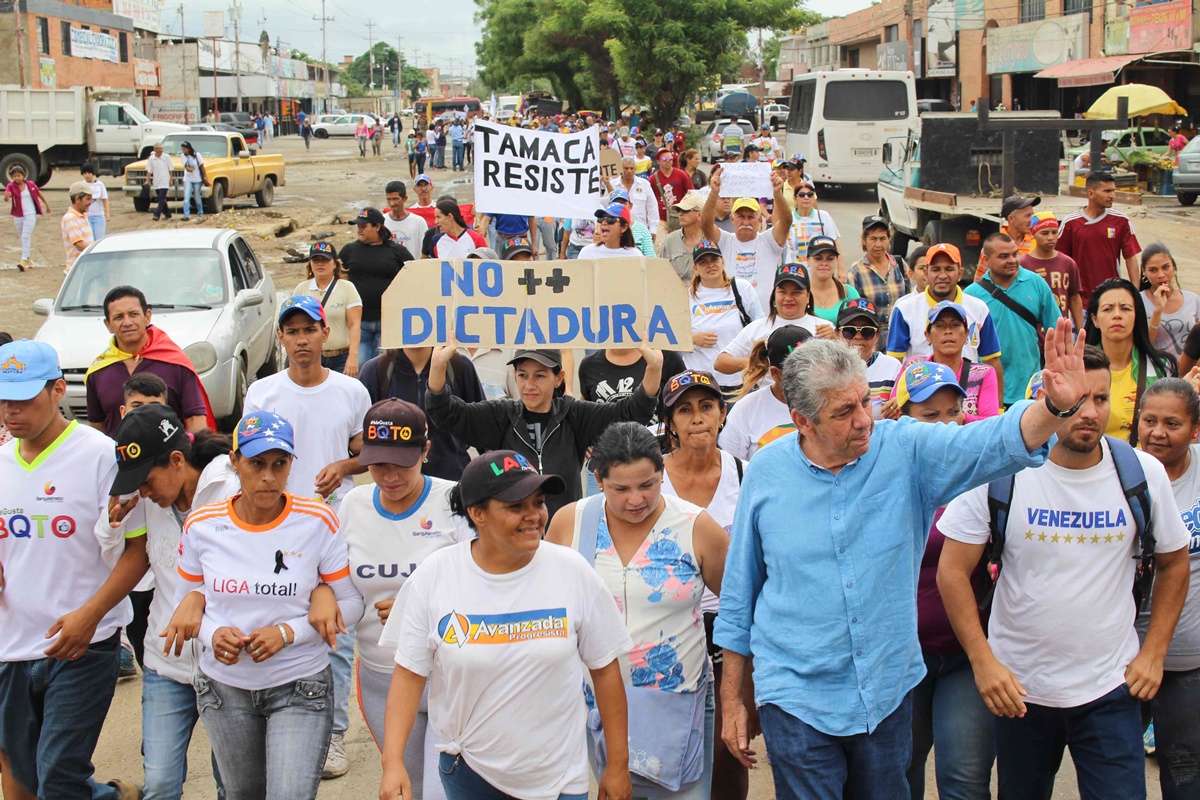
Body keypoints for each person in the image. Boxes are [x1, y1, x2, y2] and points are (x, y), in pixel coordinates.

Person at [715, 320, 1094, 799]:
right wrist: (733, 698)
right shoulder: (767, 472)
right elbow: (740, 593)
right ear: (802, 420)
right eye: (843, 411)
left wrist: (1056, 406)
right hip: (795, 695)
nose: (863, 420)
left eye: (865, 401)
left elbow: (992, 444)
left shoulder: (904, 449)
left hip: (885, 688)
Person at [937, 346, 1191, 800]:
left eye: (1100, 399)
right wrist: (983, 661)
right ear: (1048, 400)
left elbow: (1173, 561)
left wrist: (1154, 653)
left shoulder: (1140, 472)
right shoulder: (1002, 471)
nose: (1088, 413)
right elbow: (953, 571)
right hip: (1020, 692)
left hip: (1112, 688)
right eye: (1075, 401)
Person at [376, 449, 633, 800]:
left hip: (559, 780)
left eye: (539, 502)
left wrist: (616, 765)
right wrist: (393, 763)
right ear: (477, 513)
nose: (534, 516)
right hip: (469, 774)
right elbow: (408, 675)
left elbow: (605, 670)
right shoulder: (436, 576)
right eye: (515, 507)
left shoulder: (572, 572)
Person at [174, 409, 364, 798]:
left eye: (280, 464)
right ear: (234, 462)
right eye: (256, 463)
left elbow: (350, 603)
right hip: (224, 688)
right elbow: (187, 604)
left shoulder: (317, 520)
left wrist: (287, 632)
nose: (268, 476)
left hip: (300, 683)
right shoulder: (202, 524)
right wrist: (212, 634)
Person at [546, 422, 728, 799]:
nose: (635, 500)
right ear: (597, 479)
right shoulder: (570, 522)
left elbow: (740, 605)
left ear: (662, 473)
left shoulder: (697, 526)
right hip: (593, 706)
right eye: (620, 489)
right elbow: (541, 602)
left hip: (678, 704)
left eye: (647, 485)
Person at [0, 339, 147, 800]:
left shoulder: (102, 455)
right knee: (26, 778)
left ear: (58, 389)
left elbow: (138, 550)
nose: (11, 410)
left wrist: (91, 616)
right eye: (3, 398)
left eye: (23, 398)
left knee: (59, 776)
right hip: (11, 648)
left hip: (83, 645)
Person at [242, 295, 373, 777]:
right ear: (281, 338)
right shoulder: (263, 393)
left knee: (334, 632)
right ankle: (276, 718)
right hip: (276, 528)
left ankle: (333, 735)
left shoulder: (350, 391)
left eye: (309, 330)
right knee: (279, 620)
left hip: (334, 527)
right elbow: (249, 456)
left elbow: (367, 451)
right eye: (292, 331)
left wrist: (344, 465)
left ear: (325, 334)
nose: (301, 339)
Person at [320, 399, 471, 799]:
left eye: (401, 462)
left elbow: (486, 582)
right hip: (381, 676)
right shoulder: (351, 506)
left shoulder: (454, 500)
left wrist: (419, 608)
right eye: (377, 463)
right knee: (408, 788)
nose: (388, 476)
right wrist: (322, 595)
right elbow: (332, 578)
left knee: (446, 791)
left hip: (449, 676)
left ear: (425, 451)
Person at [107, 404, 239, 800]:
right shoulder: (147, 503)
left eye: (146, 481)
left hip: (229, 665)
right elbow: (120, 554)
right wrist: (114, 520)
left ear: (177, 460)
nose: (143, 492)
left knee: (232, 784)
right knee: (161, 784)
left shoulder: (233, 492)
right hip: (166, 664)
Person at [886, 361, 994, 800]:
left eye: (954, 412)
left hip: (967, 656)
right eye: (930, 416)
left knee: (964, 781)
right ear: (902, 420)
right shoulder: (882, 483)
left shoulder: (987, 477)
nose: (947, 425)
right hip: (900, 659)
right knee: (899, 773)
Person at [655, 369, 755, 800]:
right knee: (665, 746)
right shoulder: (649, 480)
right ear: (670, 424)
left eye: (706, 407)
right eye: (684, 409)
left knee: (729, 743)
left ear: (723, 415)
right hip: (665, 626)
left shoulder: (747, 473)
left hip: (730, 627)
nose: (697, 418)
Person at [425, 345, 663, 520]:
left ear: (558, 378)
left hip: (565, 531)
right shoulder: (500, 414)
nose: (529, 385)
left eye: (540, 376)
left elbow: (631, 413)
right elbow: (448, 414)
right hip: (511, 529)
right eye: (522, 375)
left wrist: (654, 368)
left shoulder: (574, 415)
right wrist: (437, 367)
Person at [1136, 377, 1200, 799]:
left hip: (1187, 662)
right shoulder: (1117, 471)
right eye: (1150, 420)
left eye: (1172, 423)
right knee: (1116, 779)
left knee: (1183, 776)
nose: (1158, 432)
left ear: (1194, 429)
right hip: (1121, 660)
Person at [85, 285, 212, 435]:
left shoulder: (176, 363)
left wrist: (188, 456)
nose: (127, 322)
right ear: (108, 325)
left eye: (133, 314)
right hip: (118, 457)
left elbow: (196, 421)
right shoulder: (98, 371)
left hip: (170, 456)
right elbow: (97, 430)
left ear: (147, 317)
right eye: (119, 317)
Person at [887, 242, 1004, 394]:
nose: (942, 275)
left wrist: (999, 409)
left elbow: (992, 361)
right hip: (920, 397)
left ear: (960, 273)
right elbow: (894, 363)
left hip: (969, 397)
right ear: (926, 273)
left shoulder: (979, 308)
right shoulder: (905, 309)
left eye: (949, 269)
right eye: (935, 269)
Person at [358, 343, 486, 481]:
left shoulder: (459, 366)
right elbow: (358, 436)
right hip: (396, 484)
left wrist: (498, 475)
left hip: (451, 482)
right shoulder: (376, 369)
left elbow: (485, 433)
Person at [966, 232, 1062, 408]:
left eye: (1014, 254)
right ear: (986, 260)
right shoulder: (972, 296)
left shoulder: (1036, 283)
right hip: (988, 392)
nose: (1012, 260)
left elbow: (1057, 331)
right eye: (1003, 256)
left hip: (1030, 390)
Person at [1085, 278, 1177, 444]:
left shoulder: (1161, 367)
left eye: (1126, 308)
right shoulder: (1077, 367)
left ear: (1137, 316)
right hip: (1091, 465)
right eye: (1108, 309)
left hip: (1147, 465)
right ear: (1095, 319)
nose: (1117, 315)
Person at [714, 263, 833, 379]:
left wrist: (836, 341)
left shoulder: (825, 328)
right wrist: (755, 363)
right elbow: (721, 363)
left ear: (808, 296)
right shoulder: (758, 327)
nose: (788, 298)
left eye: (796, 292)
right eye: (782, 292)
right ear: (774, 296)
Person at [890, 301, 1001, 419]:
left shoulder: (983, 373)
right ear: (928, 335)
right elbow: (893, 409)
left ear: (966, 334)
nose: (948, 331)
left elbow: (990, 423)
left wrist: (959, 417)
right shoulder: (913, 367)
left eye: (955, 325)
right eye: (940, 325)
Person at [684, 240, 764, 400]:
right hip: (700, 382)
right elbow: (669, 339)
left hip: (739, 382)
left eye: (714, 259)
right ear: (695, 268)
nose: (710, 265)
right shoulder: (685, 296)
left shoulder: (742, 289)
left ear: (723, 261)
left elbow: (761, 327)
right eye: (703, 262)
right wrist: (690, 339)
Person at [719, 325, 813, 460]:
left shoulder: (831, 401)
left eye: (816, 364)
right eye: (800, 369)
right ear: (776, 374)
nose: (811, 374)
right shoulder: (746, 409)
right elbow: (731, 465)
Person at [700, 168, 789, 310]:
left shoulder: (769, 241)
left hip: (764, 319)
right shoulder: (725, 241)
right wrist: (714, 193)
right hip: (732, 317)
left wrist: (777, 193)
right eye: (741, 216)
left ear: (760, 220)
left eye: (751, 217)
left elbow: (786, 221)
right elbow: (705, 224)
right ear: (732, 219)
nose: (746, 222)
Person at [341, 207, 415, 367]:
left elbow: (414, 278)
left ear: (377, 227)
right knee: (359, 366)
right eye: (358, 226)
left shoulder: (397, 251)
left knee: (384, 367)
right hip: (359, 323)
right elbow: (336, 278)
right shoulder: (349, 251)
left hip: (388, 321)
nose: (359, 229)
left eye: (363, 226)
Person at [1057, 171, 1143, 302]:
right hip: (1079, 301)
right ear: (1091, 193)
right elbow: (1060, 261)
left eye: (1113, 191)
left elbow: (1131, 258)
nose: (1112, 196)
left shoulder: (1121, 221)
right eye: (1107, 191)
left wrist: (1136, 294)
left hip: (1111, 298)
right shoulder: (1070, 223)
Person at [293, 241, 363, 376]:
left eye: (325, 260)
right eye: (316, 260)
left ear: (335, 263)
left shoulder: (347, 288)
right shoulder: (301, 289)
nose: (320, 264)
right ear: (310, 264)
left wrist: (353, 356)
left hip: (340, 357)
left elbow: (354, 325)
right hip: (310, 357)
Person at [848, 216, 910, 347]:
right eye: (873, 239)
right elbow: (854, 311)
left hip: (898, 335)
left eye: (883, 238)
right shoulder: (856, 271)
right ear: (864, 241)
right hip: (870, 338)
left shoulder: (899, 265)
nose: (878, 245)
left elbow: (909, 300)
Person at [837, 299, 901, 419]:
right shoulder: (828, 368)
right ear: (837, 333)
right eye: (849, 331)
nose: (858, 336)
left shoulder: (892, 366)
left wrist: (901, 402)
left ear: (877, 336)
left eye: (867, 331)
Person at [1021, 212, 1084, 330]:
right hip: (1034, 331)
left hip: (1062, 330)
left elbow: (1075, 298)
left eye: (1054, 232)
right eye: (1044, 233)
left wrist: (1080, 329)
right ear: (1033, 234)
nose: (1050, 237)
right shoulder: (1024, 264)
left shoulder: (1068, 263)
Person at [1140, 243, 1200, 358]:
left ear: (1174, 267)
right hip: (1155, 372)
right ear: (1144, 272)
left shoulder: (1193, 300)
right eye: (1153, 270)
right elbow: (1143, 346)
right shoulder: (1137, 301)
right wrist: (1158, 310)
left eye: (1166, 267)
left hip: (1188, 373)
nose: (1161, 275)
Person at [971, 194, 1038, 281]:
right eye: (1027, 216)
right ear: (1011, 219)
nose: (1032, 220)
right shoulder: (993, 246)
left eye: (1032, 215)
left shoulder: (1036, 242)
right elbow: (980, 281)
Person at [784, 181, 842, 276]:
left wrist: (841, 270)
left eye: (810, 195)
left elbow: (835, 244)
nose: (806, 197)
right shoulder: (788, 219)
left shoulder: (823, 216)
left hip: (820, 273)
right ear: (795, 199)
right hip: (794, 273)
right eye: (802, 195)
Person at [5, 162, 48, 270]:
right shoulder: (11, 186)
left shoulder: (30, 184)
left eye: (19, 175)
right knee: (22, 237)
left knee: (25, 236)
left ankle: (23, 260)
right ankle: (28, 258)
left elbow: (38, 193)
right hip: (18, 215)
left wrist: (46, 204)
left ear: (23, 176)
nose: (17, 178)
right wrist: (6, 197)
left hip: (30, 214)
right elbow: (7, 197)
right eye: (14, 176)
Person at [806, 236, 858, 323]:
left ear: (837, 261)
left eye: (830, 259)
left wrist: (835, 334)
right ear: (808, 261)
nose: (824, 263)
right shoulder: (799, 293)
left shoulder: (849, 293)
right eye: (818, 258)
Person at [650, 151, 695, 240]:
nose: (668, 161)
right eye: (664, 159)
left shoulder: (681, 174)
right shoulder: (653, 178)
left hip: (679, 217)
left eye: (670, 159)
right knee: (661, 246)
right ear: (658, 161)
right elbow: (649, 200)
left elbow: (691, 193)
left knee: (679, 245)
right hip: (661, 218)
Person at [610, 156, 659, 233]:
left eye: (631, 168)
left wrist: (653, 229)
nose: (629, 171)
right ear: (621, 168)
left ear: (635, 169)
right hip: (618, 229)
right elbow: (606, 205)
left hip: (640, 230)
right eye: (626, 168)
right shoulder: (612, 185)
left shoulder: (644, 184)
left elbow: (652, 207)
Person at [579, 202, 643, 259]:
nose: (604, 222)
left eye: (611, 219)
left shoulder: (635, 256)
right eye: (601, 218)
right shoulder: (587, 253)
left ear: (624, 227)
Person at [383, 180, 432, 254]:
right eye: (389, 199)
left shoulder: (419, 222)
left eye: (395, 199)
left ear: (405, 198)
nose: (392, 203)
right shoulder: (382, 222)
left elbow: (426, 251)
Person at [608, 188, 655, 257]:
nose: (619, 207)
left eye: (623, 203)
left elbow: (650, 257)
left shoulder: (641, 228)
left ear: (630, 206)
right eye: (615, 204)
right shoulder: (605, 227)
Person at [61, 180, 93, 275]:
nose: (90, 203)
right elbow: (79, 244)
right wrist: (98, 250)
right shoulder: (71, 218)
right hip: (76, 271)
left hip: (84, 269)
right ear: (77, 199)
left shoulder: (83, 216)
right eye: (88, 199)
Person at [143, 143, 173, 221]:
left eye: (161, 148)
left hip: (165, 181)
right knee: (161, 199)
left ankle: (156, 214)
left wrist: (171, 179)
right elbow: (149, 170)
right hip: (156, 181)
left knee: (161, 198)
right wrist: (147, 180)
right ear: (155, 149)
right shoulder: (152, 158)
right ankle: (168, 214)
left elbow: (171, 169)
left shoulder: (166, 157)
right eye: (159, 148)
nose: (161, 150)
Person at [80, 162, 110, 241]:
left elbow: (105, 199)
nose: (87, 175)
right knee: (89, 239)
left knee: (99, 238)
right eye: (85, 173)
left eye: (89, 173)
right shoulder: (81, 185)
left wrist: (107, 212)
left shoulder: (100, 184)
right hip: (86, 216)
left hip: (98, 215)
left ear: (92, 173)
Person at [179, 141, 206, 222]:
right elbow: (185, 166)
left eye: (185, 149)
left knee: (197, 197)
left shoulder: (197, 155)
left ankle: (200, 213)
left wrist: (204, 176)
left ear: (189, 149)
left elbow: (202, 166)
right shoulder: (183, 156)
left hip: (197, 179)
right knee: (186, 197)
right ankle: (186, 215)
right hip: (187, 178)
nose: (183, 150)